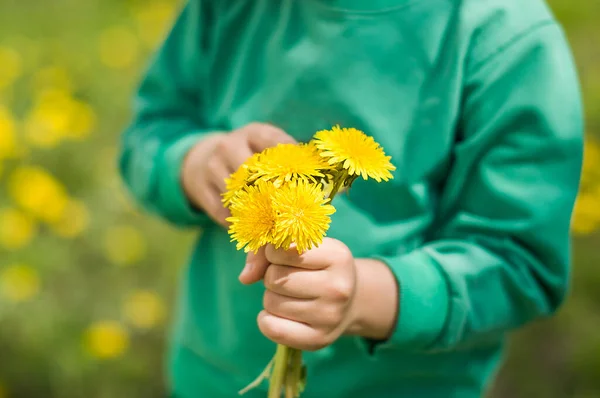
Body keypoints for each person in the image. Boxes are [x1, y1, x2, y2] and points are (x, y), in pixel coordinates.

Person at [118, 0, 584, 396]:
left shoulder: (507, 37)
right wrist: (192, 162)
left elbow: (519, 264)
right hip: (212, 377)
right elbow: (150, 132)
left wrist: (364, 296)